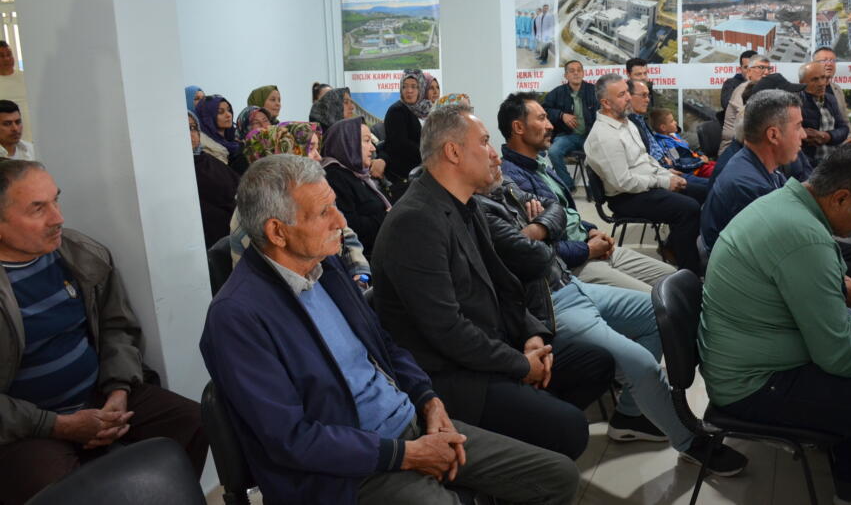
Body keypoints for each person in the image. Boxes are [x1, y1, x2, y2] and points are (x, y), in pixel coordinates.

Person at [200, 154, 579, 505]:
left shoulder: (324, 266)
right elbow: (291, 439)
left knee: (558, 476)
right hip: (346, 474)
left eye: (335, 205)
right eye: (324, 212)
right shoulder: (237, 317)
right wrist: (405, 455)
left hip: (411, 425)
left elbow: (384, 344)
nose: (341, 222)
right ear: (278, 232)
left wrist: (429, 401)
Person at [478, 169, 748, 477]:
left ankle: (630, 414)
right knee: (641, 364)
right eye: (484, 147)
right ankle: (690, 441)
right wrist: (544, 229)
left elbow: (557, 210)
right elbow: (535, 256)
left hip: (570, 282)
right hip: (549, 304)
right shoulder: (479, 209)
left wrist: (538, 227)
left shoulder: (503, 185)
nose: (493, 155)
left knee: (662, 315)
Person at [372, 105, 603, 460]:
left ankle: (528, 438)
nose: (495, 153)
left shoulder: (466, 205)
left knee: (596, 363)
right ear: (453, 152)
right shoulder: (416, 221)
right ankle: (529, 444)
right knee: (571, 429)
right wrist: (521, 365)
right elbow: (447, 330)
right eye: (484, 142)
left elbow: (504, 283)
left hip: (492, 345)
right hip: (453, 374)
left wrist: (531, 335)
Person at [699, 144, 851, 505]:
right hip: (754, 386)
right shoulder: (804, 237)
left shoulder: (787, 204)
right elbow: (837, 358)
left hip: (749, 362)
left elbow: (825, 312)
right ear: (841, 197)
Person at [0, 160, 207, 504]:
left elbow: (117, 327)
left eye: (56, 200)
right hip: (28, 428)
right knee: (65, 491)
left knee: (193, 421)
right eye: (38, 209)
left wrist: (118, 390)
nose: (58, 218)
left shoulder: (81, 255)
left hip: (100, 396)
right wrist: (57, 425)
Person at [699, 91, 851, 328]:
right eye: (798, 126)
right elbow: (780, 263)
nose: (804, 134)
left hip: (778, 271)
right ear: (773, 135)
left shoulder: (763, 167)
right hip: (759, 295)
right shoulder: (748, 184)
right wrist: (837, 283)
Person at [498, 92, 676, 294]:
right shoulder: (513, 181)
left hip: (588, 246)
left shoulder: (540, 165)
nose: (550, 125)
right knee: (658, 299)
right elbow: (536, 248)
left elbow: (567, 215)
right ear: (518, 127)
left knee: (674, 278)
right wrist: (588, 250)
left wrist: (591, 231)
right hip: (572, 265)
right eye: (541, 119)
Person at [584, 74, 702, 273]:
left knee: (705, 190)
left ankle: (676, 247)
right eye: (621, 95)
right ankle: (690, 272)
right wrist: (664, 182)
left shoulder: (626, 123)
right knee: (688, 208)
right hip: (626, 197)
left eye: (627, 92)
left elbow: (645, 159)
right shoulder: (605, 136)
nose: (628, 98)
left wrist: (666, 175)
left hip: (645, 185)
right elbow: (623, 182)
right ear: (606, 103)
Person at [230, 123, 372, 286]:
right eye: (310, 148)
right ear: (283, 154)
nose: (319, 157)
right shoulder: (253, 213)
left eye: (317, 148)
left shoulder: (314, 193)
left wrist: (360, 274)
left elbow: (346, 235)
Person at [626, 79, 709, 204]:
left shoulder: (640, 120)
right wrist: (664, 168)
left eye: (648, 95)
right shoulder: (631, 124)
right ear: (629, 96)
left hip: (666, 169)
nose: (647, 99)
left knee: (715, 183)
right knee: (710, 189)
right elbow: (641, 161)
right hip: (659, 175)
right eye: (643, 95)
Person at [322, 118, 390, 259]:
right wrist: (387, 217)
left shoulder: (358, 174)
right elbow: (349, 227)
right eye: (366, 141)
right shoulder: (335, 177)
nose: (373, 148)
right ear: (348, 144)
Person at [541, 60, 598, 191]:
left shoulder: (594, 91)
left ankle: (595, 188)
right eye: (572, 71)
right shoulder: (557, 92)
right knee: (554, 152)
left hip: (591, 136)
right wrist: (561, 115)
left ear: (583, 73)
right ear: (566, 75)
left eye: (579, 70)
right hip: (567, 135)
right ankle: (568, 185)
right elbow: (544, 110)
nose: (576, 73)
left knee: (603, 151)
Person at [188, 111, 239, 249]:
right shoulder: (178, 171)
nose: (191, 134)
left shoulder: (207, 160)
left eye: (193, 128)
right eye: (183, 128)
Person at [383, 70, 431, 200]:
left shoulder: (423, 109)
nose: (409, 91)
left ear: (421, 89)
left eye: (414, 87)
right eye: (405, 86)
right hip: (405, 172)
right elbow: (401, 145)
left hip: (421, 166)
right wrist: (429, 154)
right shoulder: (397, 111)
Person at [800, 61, 850, 166]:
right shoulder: (795, 102)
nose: (821, 83)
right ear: (802, 82)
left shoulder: (830, 99)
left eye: (823, 78)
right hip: (810, 164)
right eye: (815, 79)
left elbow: (844, 128)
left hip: (835, 159)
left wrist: (827, 136)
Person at [720, 54, 771, 155]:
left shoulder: (763, 89)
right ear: (749, 71)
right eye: (761, 68)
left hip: (752, 145)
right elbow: (750, 123)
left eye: (768, 69)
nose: (766, 72)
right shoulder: (743, 90)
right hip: (733, 149)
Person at [648, 108, 715, 178]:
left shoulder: (673, 135)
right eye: (671, 121)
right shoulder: (667, 144)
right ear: (663, 128)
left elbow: (689, 150)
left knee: (720, 165)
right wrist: (700, 161)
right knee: (718, 172)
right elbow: (677, 163)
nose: (675, 122)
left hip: (697, 162)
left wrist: (701, 155)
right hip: (694, 170)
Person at [195, 95, 247, 175]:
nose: (228, 115)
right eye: (220, 112)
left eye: (229, 110)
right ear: (207, 118)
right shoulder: (206, 150)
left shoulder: (236, 142)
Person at [0, 41, 31, 141]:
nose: (7, 59)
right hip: (6, 141)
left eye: (9, 54)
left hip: (31, 137)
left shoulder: (26, 77)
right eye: (2, 56)